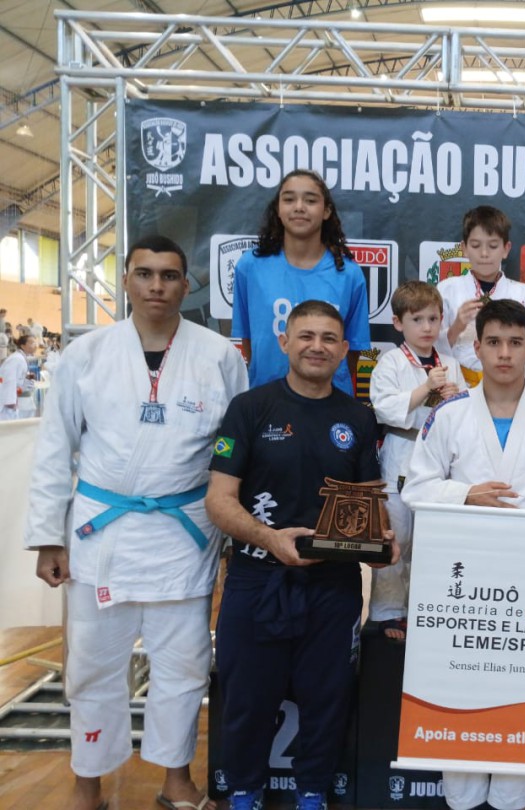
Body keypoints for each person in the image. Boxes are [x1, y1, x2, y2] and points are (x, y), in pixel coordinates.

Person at [23, 234, 248, 810]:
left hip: (184, 532)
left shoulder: (219, 356)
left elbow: (237, 451)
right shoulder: (86, 354)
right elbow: (55, 447)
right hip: (103, 532)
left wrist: (233, 530)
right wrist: (48, 535)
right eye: (144, 274)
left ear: (185, 284)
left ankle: (176, 781)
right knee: (93, 665)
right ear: (125, 280)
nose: (156, 286)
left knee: (185, 664)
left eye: (169, 275)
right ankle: (87, 784)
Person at [206, 300, 397, 810]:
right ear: (285, 342)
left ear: (344, 350)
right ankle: (244, 794)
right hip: (255, 579)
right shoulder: (250, 408)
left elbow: (368, 503)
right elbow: (218, 500)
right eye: (306, 335)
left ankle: (313, 794)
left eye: (330, 338)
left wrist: (381, 545)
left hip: (332, 588)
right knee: (246, 702)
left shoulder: (357, 418)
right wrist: (270, 539)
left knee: (327, 701)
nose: (318, 346)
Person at [403, 299, 525, 810]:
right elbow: (416, 488)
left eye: (515, 343)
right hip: (462, 584)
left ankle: (510, 801)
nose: (504, 353)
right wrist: (464, 494)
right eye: (494, 342)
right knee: (459, 693)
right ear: (475, 348)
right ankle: (460, 800)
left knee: (522, 705)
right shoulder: (449, 413)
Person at [368, 281, 464, 643]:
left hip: (437, 459)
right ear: (398, 323)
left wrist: (453, 399)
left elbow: (461, 417)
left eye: (434, 319)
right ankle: (387, 612)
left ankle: (427, 609)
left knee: (431, 540)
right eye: (417, 319)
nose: (427, 327)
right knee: (398, 536)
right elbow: (384, 408)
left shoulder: (450, 363)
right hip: (401, 454)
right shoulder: (390, 362)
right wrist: (426, 388)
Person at [231, 168, 370, 396]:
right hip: (267, 395)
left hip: (330, 399)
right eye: (289, 199)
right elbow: (249, 340)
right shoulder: (250, 267)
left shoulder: (349, 274)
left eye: (310, 200)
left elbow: (352, 349)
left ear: (326, 211)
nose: (299, 207)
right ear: (278, 209)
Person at [436, 205, 525, 386]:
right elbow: (428, 347)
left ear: (506, 249)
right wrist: (457, 326)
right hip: (458, 386)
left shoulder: (523, 294)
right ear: (464, 248)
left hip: (508, 385)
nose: (484, 253)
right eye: (475, 245)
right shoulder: (447, 290)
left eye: (493, 245)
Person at [0, 334, 36, 420]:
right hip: (10, 404)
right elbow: (9, 380)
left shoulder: (21, 358)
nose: (35, 345)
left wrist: (27, 380)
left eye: (35, 342)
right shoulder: (16, 359)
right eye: (32, 343)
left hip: (19, 399)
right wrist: (10, 402)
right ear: (23, 346)